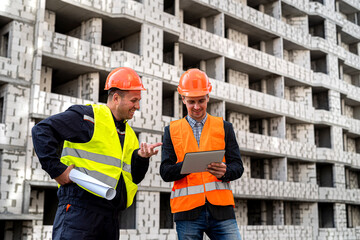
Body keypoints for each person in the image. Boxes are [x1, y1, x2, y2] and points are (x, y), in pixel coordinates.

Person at [32, 67, 162, 240]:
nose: (137, 106)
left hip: (111, 216)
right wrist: (57, 170)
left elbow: (134, 178)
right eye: (134, 100)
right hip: (80, 211)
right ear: (116, 98)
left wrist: (142, 159)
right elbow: (42, 130)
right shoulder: (88, 117)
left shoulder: (130, 134)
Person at [160, 68, 244, 240]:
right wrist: (187, 166)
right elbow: (165, 172)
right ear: (183, 99)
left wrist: (226, 171)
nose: (196, 107)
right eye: (191, 101)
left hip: (221, 210)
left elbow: (238, 167)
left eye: (201, 101)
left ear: (208, 97)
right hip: (187, 212)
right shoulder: (172, 131)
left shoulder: (224, 127)